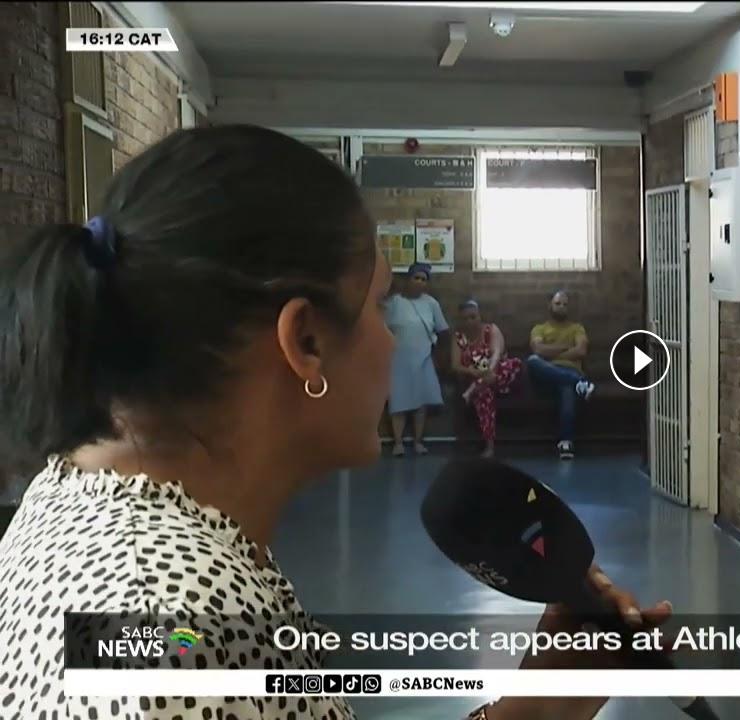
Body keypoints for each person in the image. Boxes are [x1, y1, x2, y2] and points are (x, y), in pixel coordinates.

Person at [0, 125, 672, 719]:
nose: (389, 339)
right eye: (377, 306)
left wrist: (540, 709)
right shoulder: (178, 647)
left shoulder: (91, 505)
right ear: (306, 342)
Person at [384, 262, 449, 456]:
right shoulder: (394, 303)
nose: (420, 282)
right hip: (398, 359)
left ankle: (418, 441)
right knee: (398, 401)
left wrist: (440, 357)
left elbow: (443, 330)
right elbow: (381, 328)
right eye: (416, 278)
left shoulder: (431, 304)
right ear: (408, 279)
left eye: (424, 279)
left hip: (423, 358)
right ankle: (398, 443)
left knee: (421, 403)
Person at [526, 291, 594, 459]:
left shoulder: (577, 328)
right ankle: (580, 383)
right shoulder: (539, 329)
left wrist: (551, 352)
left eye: (565, 304)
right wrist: (566, 348)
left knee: (567, 388)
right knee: (533, 360)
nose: (561, 307)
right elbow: (538, 350)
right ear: (550, 305)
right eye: (558, 304)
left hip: (570, 370)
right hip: (546, 375)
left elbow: (581, 351)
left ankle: (566, 442)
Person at [452, 300, 523, 458]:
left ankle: (471, 391)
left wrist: (489, 371)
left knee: (513, 364)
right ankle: (489, 446)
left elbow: (497, 354)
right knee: (484, 394)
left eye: (473, 317)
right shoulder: (458, 338)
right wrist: (472, 371)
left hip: (500, 375)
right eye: (465, 319)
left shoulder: (491, 330)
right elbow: (455, 365)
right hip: (478, 378)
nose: (469, 322)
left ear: (479, 316)